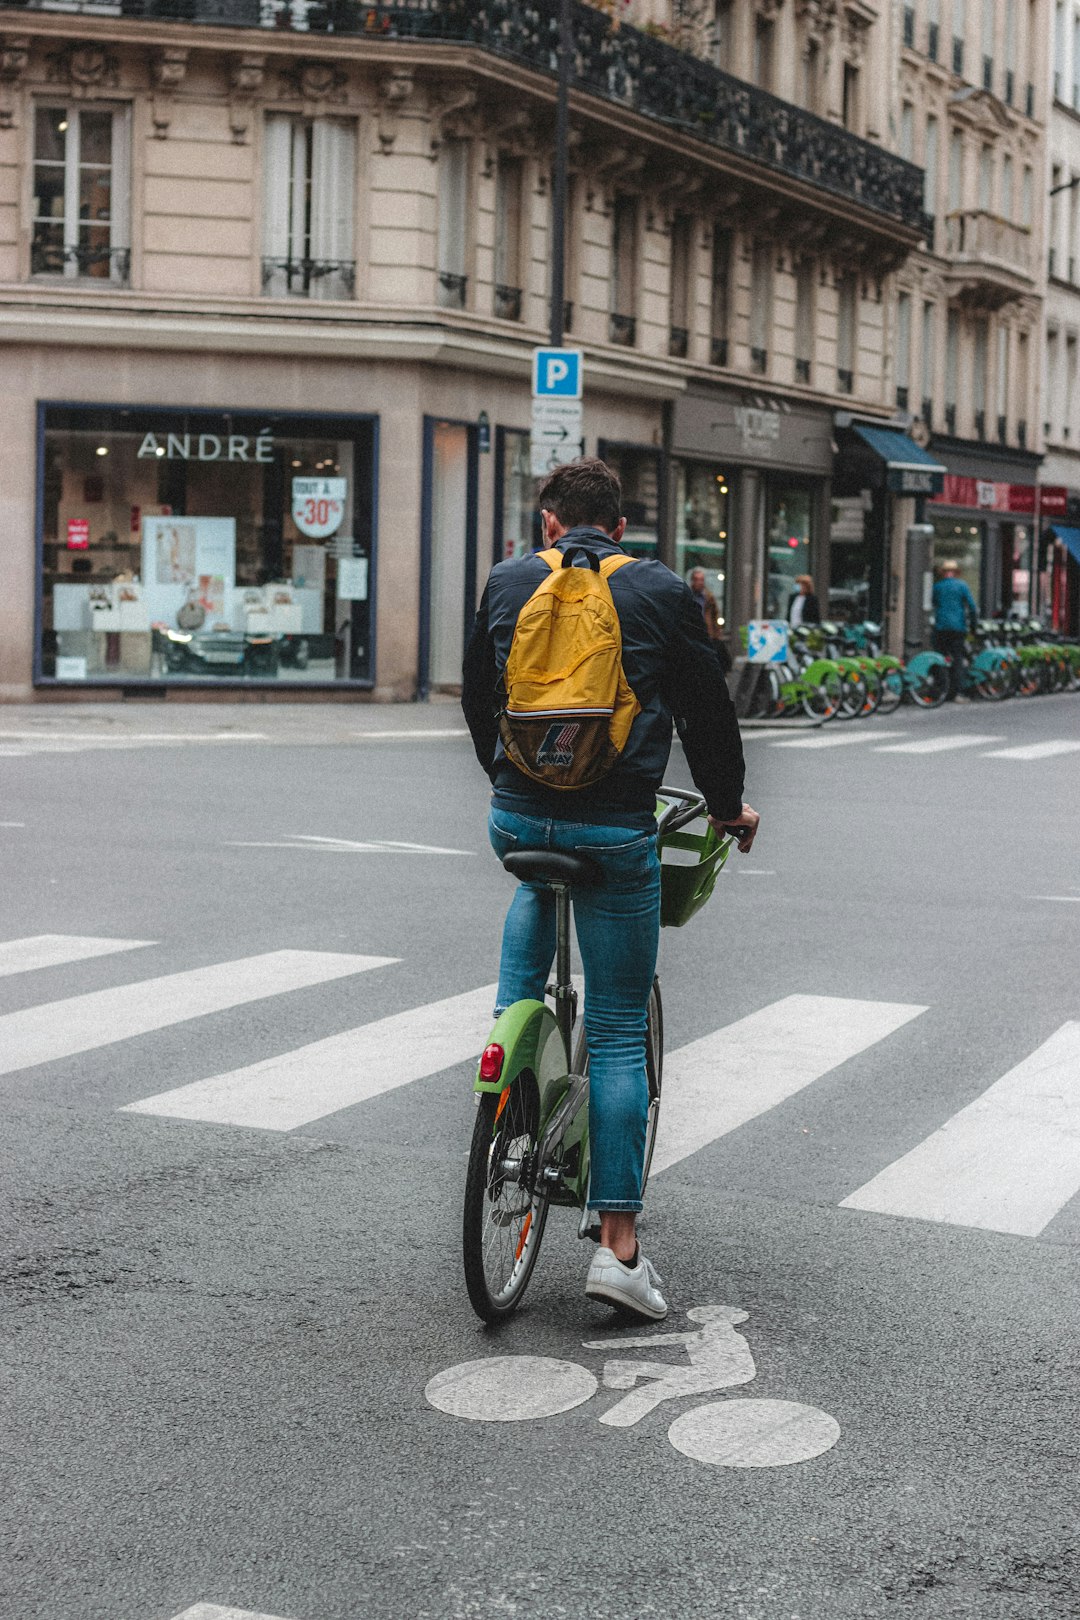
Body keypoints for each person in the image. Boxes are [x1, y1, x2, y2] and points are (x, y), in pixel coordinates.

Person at [462, 457, 759, 1323]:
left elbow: (483, 703)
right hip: (615, 825)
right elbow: (708, 716)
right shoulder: (662, 592)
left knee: (535, 881)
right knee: (621, 1028)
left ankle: (510, 1059)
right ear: (620, 528)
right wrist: (729, 805)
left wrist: (510, 788)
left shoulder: (511, 579)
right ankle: (618, 1253)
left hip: (516, 823)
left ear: (548, 524)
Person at [931, 559, 978, 701]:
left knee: (941, 658)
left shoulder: (937, 587)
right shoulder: (962, 586)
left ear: (943, 573)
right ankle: (959, 692)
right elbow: (972, 607)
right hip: (958, 627)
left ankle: (942, 690)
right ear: (956, 573)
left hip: (941, 627)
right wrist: (973, 627)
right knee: (957, 659)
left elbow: (933, 603)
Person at [688, 566, 733, 674]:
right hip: (692, 634)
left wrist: (717, 632)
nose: (699, 582)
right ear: (692, 581)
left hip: (707, 634)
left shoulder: (709, 597)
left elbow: (715, 615)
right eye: (697, 579)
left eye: (701, 580)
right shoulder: (688, 596)